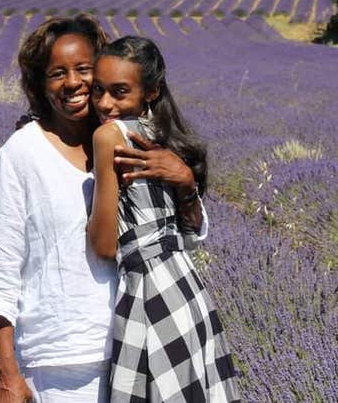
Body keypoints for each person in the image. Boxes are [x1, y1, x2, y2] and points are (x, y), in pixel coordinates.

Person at [0, 16, 207, 402]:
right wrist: (7, 374)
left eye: (83, 70)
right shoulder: (21, 154)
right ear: (39, 84)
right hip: (58, 362)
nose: (73, 83)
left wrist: (185, 183)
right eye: (56, 73)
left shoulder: (132, 139)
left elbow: (188, 236)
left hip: (140, 346)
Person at [87, 36, 239, 402]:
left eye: (119, 92)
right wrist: (187, 181)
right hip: (186, 288)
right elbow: (191, 233)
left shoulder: (109, 136)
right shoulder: (162, 137)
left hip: (149, 291)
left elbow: (105, 246)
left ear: (151, 92)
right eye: (98, 90)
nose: (105, 103)